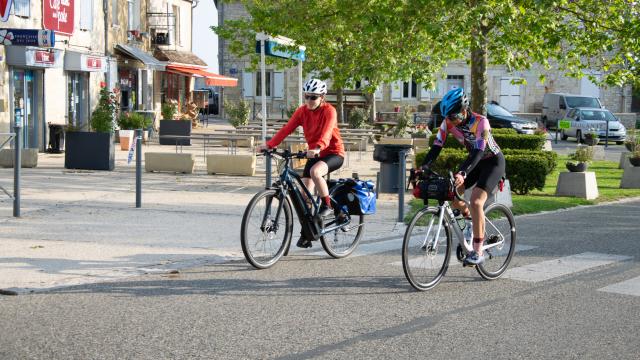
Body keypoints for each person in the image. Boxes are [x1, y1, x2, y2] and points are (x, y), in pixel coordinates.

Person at [420, 88, 505, 266]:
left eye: (453, 116)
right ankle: (468, 224)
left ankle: (478, 250)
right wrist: (424, 166)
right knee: (453, 194)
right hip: (474, 161)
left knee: (475, 202)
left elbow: (479, 151)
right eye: (448, 117)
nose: (451, 121)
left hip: (491, 162)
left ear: (464, 109)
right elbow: (437, 146)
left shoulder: (482, 122)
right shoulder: (448, 122)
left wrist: (463, 173)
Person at [257, 79, 345, 248]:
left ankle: (328, 206)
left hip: (333, 153)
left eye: (313, 97)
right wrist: (269, 145)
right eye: (307, 96)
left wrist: (318, 147)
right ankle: (308, 233)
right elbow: (286, 129)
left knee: (315, 172)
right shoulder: (302, 111)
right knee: (306, 197)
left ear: (322, 97)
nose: (309, 101)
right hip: (314, 154)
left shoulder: (330, 111)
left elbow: (326, 133)